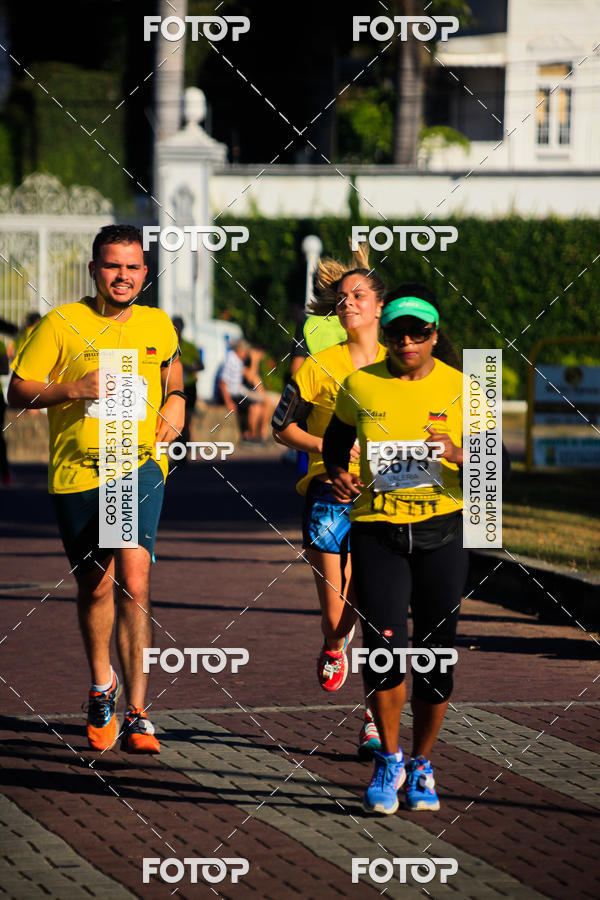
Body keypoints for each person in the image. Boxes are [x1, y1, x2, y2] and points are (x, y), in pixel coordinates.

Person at [8, 224, 184, 755]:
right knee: (97, 586)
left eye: (132, 267)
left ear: (145, 273)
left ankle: (137, 711)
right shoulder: (63, 323)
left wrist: (175, 404)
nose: (122, 276)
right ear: (94, 270)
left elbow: (173, 378)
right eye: (112, 266)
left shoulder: (158, 326)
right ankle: (100, 684)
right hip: (79, 471)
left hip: (135, 468)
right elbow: (17, 388)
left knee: (133, 576)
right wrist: (72, 389)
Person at [323, 283, 469, 815]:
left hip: (441, 535)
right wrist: (338, 475)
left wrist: (457, 451)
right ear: (385, 334)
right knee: (384, 652)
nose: (407, 340)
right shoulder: (361, 384)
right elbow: (335, 445)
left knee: (435, 660)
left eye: (419, 332)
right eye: (397, 332)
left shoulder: (463, 387)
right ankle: (390, 757)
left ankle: (424, 764)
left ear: (434, 336)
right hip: (378, 534)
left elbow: (492, 470)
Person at [272, 244, 386, 759]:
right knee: (337, 611)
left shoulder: (401, 363)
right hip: (327, 490)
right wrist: (329, 446)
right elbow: (281, 427)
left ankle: (372, 721)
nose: (349, 304)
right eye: (342, 299)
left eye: (359, 295)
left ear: (379, 305)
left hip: (386, 496)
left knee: (378, 608)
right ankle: (333, 641)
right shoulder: (320, 366)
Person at [215, 338, 265, 442]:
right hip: (231, 395)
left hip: (237, 393)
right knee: (254, 406)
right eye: (245, 351)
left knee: (257, 405)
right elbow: (222, 382)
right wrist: (228, 402)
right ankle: (252, 436)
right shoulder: (231, 360)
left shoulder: (237, 361)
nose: (246, 354)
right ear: (240, 350)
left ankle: (253, 435)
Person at [172, 316, 204, 447]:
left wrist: (187, 367)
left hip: (189, 386)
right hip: (172, 387)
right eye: (175, 327)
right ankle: (178, 446)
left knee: (186, 418)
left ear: (183, 328)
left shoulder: (190, 347)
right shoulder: (168, 344)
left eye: (179, 327)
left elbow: (201, 365)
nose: (177, 330)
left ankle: (184, 446)